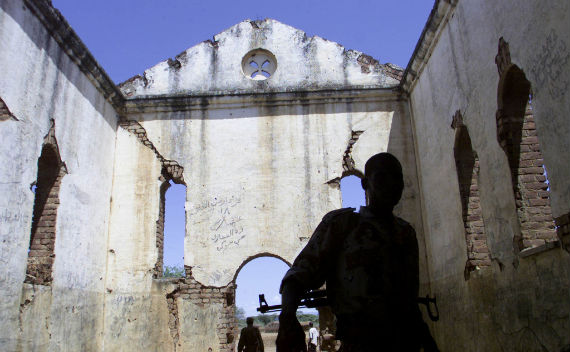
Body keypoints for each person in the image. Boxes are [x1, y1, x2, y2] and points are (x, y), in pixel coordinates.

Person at [276, 153, 438, 352]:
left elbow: (409, 303)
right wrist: (287, 319)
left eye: (397, 178)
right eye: (382, 178)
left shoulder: (405, 233)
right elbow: (297, 276)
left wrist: (428, 342)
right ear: (365, 184)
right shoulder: (341, 225)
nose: (391, 185)